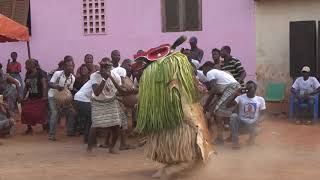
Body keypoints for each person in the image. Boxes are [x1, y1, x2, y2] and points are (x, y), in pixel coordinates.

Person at [134, 38, 213, 179]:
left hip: (162, 126)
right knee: (188, 155)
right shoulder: (176, 68)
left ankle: (170, 167)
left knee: (182, 151)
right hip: (179, 123)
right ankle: (169, 171)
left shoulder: (148, 76)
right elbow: (191, 96)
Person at [87, 57, 133, 154]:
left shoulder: (115, 75)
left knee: (117, 126)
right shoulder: (94, 76)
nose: (104, 69)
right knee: (95, 125)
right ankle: (90, 148)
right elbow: (96, 92)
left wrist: (110, 77)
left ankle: (111, 148)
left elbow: (121, 91)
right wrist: (104, 79)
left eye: (107, 67)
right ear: (100, 66)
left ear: (110, 68)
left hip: (111, 101)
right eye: (102, 67)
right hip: (97, 102)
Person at [203, 66, 242, 145]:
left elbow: (214, 90)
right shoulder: (219, 73)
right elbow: (218, 91)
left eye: (205, 74)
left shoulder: (210, 73)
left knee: (218, 113)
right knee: (229, 114)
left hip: (231, 88)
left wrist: (206, 105)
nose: (206, 76)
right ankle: (231, 137)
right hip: (235, 88)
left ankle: (220, 139)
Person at [228, 81, 266, 149]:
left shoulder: (260, 99)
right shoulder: (240, 97)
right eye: (246, 87)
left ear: (255, 89)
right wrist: (236, 94)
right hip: (241, 124)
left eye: (250, 88)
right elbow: (228, 105)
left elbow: (263, 114)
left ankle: (251, 140)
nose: (247, 89)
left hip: (252, 125)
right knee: (233, 116)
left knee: (257, 129)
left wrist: (258, 121)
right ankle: (235, 142)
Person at [48, 56, 76, 141]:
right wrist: (56, 86)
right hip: (52, 96)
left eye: (71, 66)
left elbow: (69, 90)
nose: (70, 67)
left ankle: (70, 132)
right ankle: (51, 135)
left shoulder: (72, 78)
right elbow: (50, 83)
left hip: (63, 98)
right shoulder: (57, 73)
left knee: (71, 113)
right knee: (55, 113)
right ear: (64, 66)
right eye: (68, 66)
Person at [21, 59, 48, 134]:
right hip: (31, 97)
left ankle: (45, 126)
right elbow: (26, 87)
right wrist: (23, 97)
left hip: (40, 97)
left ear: (31, 65)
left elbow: (44, 85)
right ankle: (29, 128)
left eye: (26, 65)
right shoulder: (28, 74)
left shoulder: (40, 73)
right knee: (26, 111)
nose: (25, 67)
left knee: (40, 113)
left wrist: (44, 96)